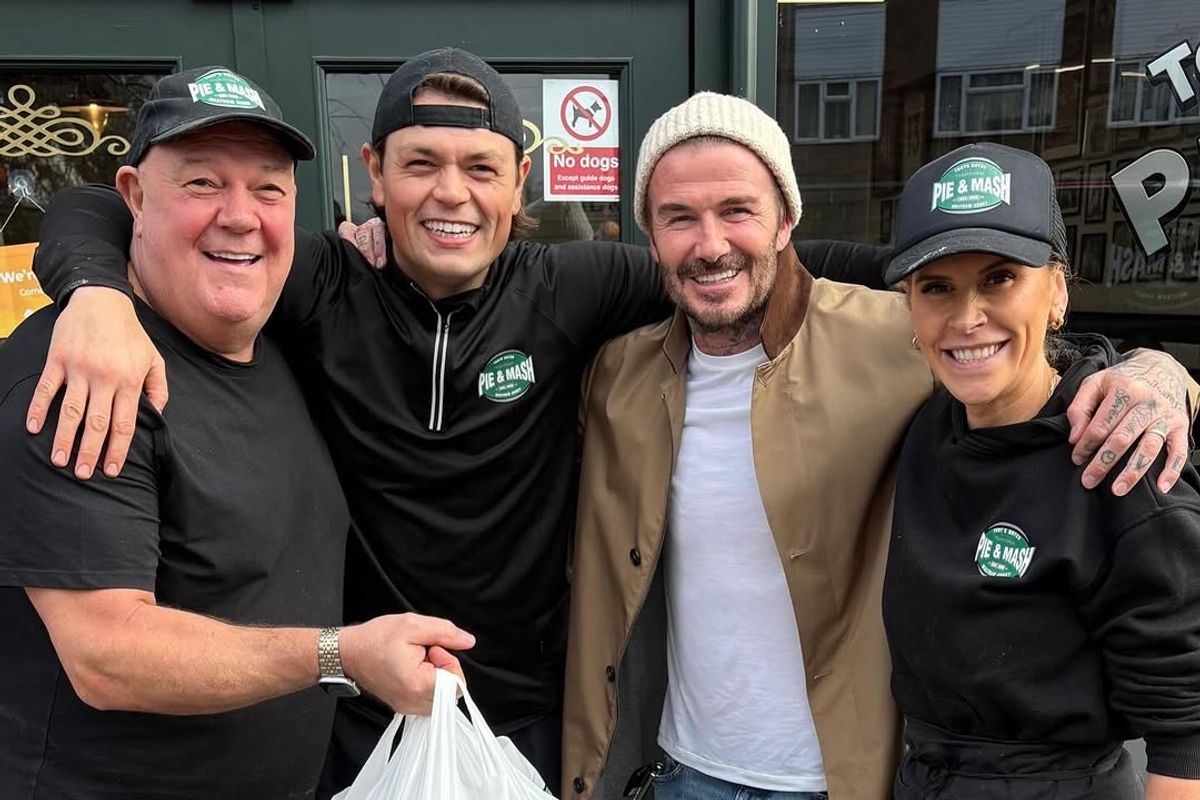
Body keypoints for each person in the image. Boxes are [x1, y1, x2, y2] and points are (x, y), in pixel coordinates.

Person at [562, 94, 1199, 800]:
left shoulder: (893, 337)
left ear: (786, 220)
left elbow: (1016, 352)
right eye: (679, 217)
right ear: (651, 237)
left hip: (852, 778)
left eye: (738, 210)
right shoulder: (616, 376)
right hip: (685, 772)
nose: (710, 245)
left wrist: (1157, 372)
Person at [0, 67, 475, 800]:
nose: (241, 216)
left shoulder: (275, 336)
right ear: (135, 197)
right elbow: (105, 653)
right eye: (202, 183)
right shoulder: (82, 373)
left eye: (269, 189)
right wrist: (339, 654)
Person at [882, 143, 1200, 799]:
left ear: (1057, 290)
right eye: (937, 287)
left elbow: (1186, 731)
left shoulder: (1117, 455)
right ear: (908, 304)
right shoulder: (927, 426)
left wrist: (1165, 372)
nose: (967, 318)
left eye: (999, 278)